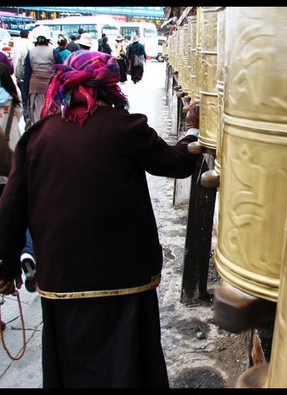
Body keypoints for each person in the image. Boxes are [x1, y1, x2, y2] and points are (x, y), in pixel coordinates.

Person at [0, 50, 200, 388]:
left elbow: (10, 207)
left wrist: (5, 269)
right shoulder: (127, 127)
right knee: (128, 364)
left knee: (72, 363)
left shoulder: (38, 136)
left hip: (62, 277)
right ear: (110, 86)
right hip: (124, 273)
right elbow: (176, 163)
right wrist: (193, 132)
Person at [0, 63, 37, 296]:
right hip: (11, 166)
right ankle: (26, 251)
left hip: (9, 164)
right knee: (18, 212)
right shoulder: (11, 101)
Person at [23, 26, 63, 125]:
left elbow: (27, 73)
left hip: (35, 86)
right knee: (51, 109)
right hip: (51, 86)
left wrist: (25, 90)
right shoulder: (53, 52)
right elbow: (61, 68)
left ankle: (38, 129)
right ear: (48, 40)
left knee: (37, 111)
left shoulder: (31, 52)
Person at [12, 29, 32, 127]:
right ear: (28, 35)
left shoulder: (17, 45)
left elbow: (16, 61)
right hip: (29, 77)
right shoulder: (30, 44)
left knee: (24, 99)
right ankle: (29, 118)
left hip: (21, 77)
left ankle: (26, 118)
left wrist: (17, 75)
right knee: (29, 99)